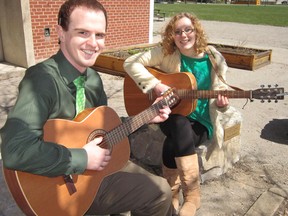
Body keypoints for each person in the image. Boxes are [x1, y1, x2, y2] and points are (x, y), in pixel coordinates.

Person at [0, 0, 173, 215]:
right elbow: (14, 150)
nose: (93, 43)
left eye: (99, 35)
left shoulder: (93, 79)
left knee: (165, 196)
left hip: (97, 171)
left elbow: (103, 130)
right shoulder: (41, 80)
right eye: (83, 33)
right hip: (61, 186)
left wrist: (145, 118)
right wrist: (82, 157)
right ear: (61, 32)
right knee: (160, 191)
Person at [124, 12, 231, 216]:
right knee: (179, 123)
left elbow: (222, 91)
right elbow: (130, 63)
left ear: (196, 31)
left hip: (201, 120)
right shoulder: (166, 52)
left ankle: (176, 194)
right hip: (170, 114)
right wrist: (156, 85)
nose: (183, 36)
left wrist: (222, 105)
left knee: (173, 141)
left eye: (188, 30)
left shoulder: (214, 57)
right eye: (178, 31)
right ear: (172, 35)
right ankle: (192, 196)